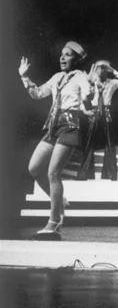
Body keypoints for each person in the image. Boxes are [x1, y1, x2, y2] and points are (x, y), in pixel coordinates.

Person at [19, 41, 93, 237]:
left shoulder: (81, 77)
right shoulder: (57, 77)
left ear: (76, 59)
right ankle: (59, 200)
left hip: (69, 126)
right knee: (34, 168)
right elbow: (37, 94)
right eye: (61, 54)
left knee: (53, 173)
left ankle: (55, 221)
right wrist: (24, 76)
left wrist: (89, 94)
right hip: (53, 127)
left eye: (67, 55)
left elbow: (88, 95)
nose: (62, 57)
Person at [79, 60, 118, 180]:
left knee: (110, 142)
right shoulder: (91, 83)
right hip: (94, 111)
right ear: (95, 70)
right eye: (98, 68)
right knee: (89, 141)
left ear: (107, 70)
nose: (101, 70)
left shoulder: (111, 83)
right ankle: (85, 174)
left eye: (104, 68)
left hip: (106, 111)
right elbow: (81, 99)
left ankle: (110, 174)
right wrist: (84, 111)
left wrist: (114, 71)